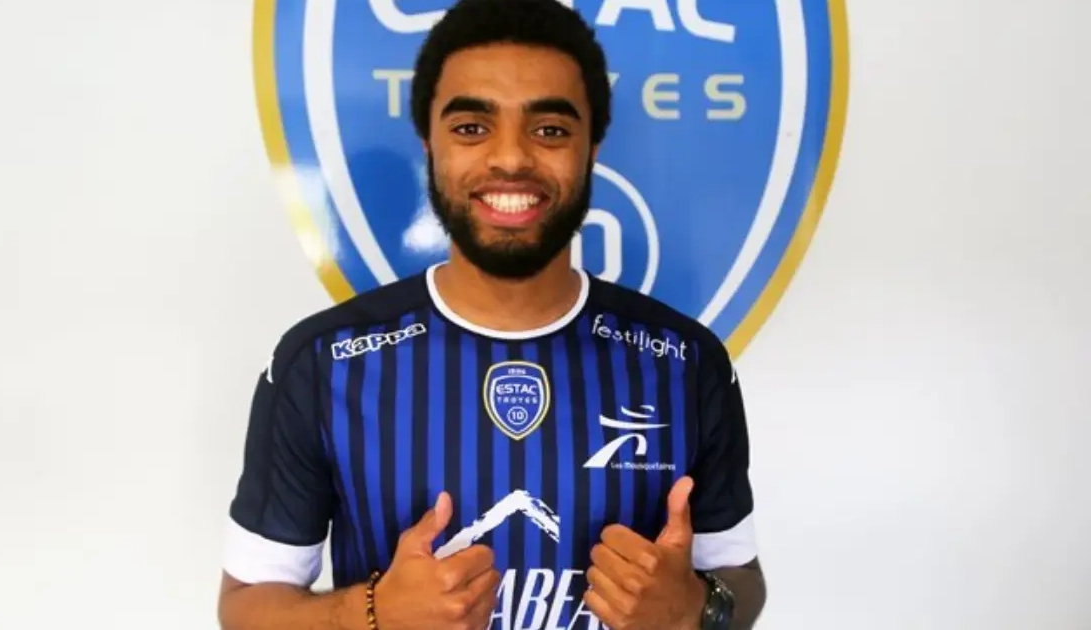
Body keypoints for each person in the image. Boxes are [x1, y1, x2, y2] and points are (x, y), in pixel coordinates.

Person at [217, 0, 767, 628]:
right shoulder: (322, 364)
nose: (510, 159)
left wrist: (696, 609)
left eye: (550, 130)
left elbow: (742, 581)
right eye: (472, 127)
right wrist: (373, 613)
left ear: (592, 147)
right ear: (429, 143)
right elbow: (245, 606)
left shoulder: (686, 364)